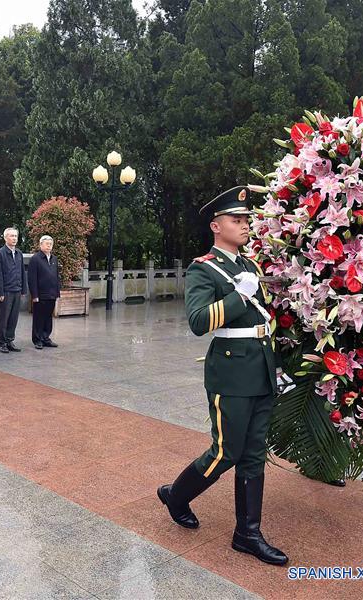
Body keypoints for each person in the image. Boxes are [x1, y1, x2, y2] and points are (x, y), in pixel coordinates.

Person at [156, 186, 288, 566]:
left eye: (246, 220)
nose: (245, 225)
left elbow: (264, 320)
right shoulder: (203, 268)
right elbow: (198, 322)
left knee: (253, 454)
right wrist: (238, 297)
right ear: (217, 226)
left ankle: (247, 533)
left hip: (260, 368)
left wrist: (277, 365)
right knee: (225, 452)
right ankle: (177, 495)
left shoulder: (250, 267)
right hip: (230, 372)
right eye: (237, 220)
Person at [0, 227, 27, 353]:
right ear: (5, 238)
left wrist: (24, 289)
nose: (14, 238)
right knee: (4, 317)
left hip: (17, 289)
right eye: (11, 236)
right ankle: (1, 342)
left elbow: (22, 272)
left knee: (13, 317)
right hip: (6, 291)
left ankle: (9, 340)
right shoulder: (0, 254)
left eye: (15, 236)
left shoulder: (18, 253)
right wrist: (0, 292)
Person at [27, 235, 60, 350]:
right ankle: (37, 339)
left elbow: (56, 277)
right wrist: (34, 295)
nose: (49, 246)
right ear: (40, 245)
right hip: (40, 295)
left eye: (51, 244)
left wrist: (57, 293)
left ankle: (46, 337)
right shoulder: (35, 259)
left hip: (51, 294)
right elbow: (32, 278)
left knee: (48, 317)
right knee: (38, 318)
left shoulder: (54, 259)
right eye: (47, 244)